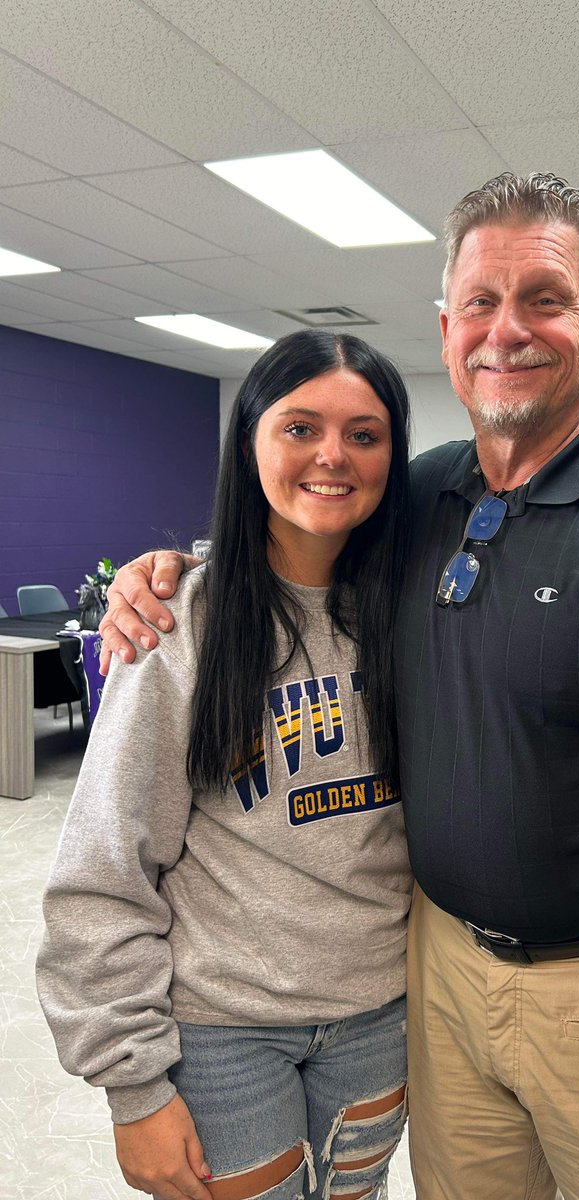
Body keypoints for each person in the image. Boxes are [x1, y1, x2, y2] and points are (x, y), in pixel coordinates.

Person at [98, 173, 579, 1200]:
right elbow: (292, 529)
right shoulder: (419, 494)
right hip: (431, 980)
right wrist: (166, 573)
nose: (506, 329)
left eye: (545, 299)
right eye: (481, 301)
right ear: (445, 333)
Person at [37, 330, 414, 1200]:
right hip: (220, 1030)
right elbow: (103, 868)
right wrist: (132, 1088)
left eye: (365, 434)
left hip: (377, 1017)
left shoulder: (411, 611)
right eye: (299, 428)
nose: (333, 455)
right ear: (248, 442)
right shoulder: (181, 622)